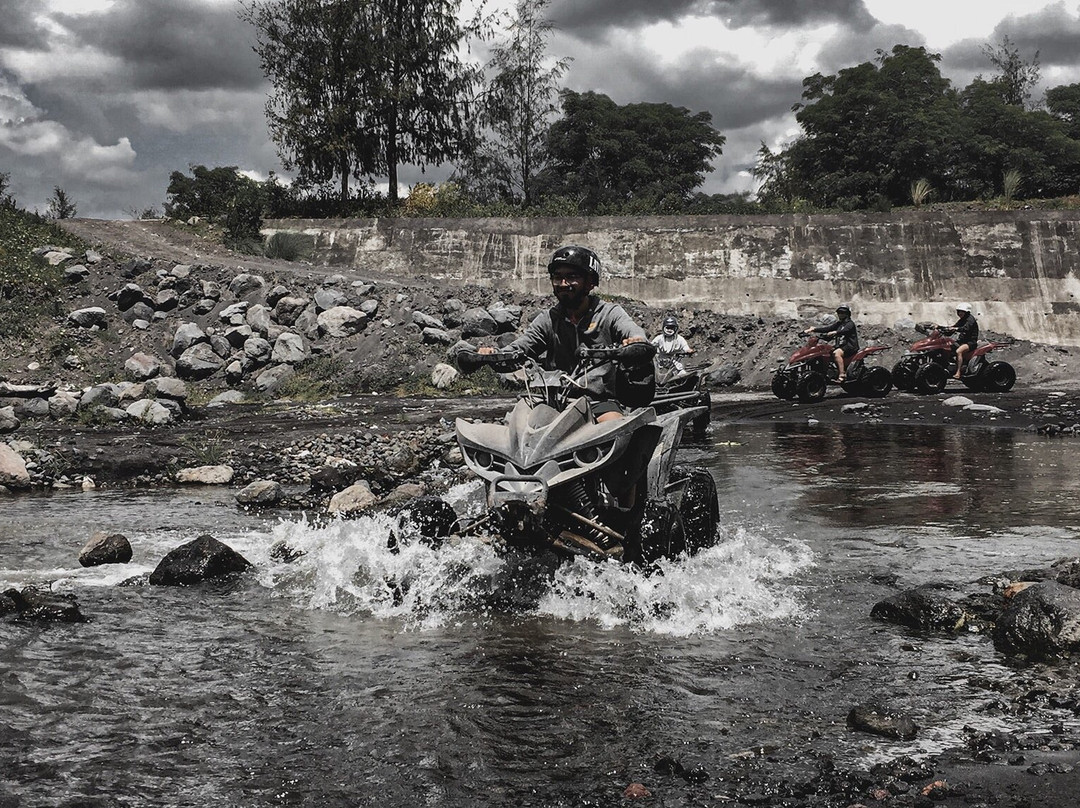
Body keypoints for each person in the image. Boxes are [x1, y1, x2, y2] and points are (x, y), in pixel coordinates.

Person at [479, 245, 648, 423]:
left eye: (571, 277)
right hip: (554, 402)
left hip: (598, 402)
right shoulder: (548, 319)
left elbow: (633, 332)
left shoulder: (609, 313)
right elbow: (519, 349)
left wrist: (635, 342)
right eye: (558, 277)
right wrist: (492, 356)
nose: (563, 284)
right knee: (517, 428)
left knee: (615, 428)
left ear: (590, 282)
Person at [804, 304, 859, 383]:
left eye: (843, 312)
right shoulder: (839, 324)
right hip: (840, 346)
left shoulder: (850, 324)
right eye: (839, 312)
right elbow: (828, 328)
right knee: (823, 351)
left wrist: (836, 332)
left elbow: (845, 330)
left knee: (837, 353)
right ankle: (824, 373)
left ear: (847, 314)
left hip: (850, 346)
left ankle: (842, 375)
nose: (840, 314)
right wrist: (813, 329)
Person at [942, 303, 979, 378]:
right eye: (958, 311)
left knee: (959, 351)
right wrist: (942, 328)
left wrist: (956, 329)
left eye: (961, 311)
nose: (959, 313)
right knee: (947, 348)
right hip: (962, 341)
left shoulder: (970, 319)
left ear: (966, 312)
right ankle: (950, 366)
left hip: (970, 342)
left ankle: (958, 372)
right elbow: (954, 326)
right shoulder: (962, 320)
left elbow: (966, 328)